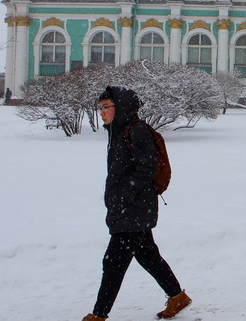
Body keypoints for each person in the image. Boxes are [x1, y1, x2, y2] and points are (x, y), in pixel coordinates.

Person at [83, 86, 191, 321]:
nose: (101, 112)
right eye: (100, 107)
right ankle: (177, 296)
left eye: (105, 107)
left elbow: (146, 169)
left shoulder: (136, 131)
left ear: (119, 107)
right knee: (148, 256)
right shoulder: (118, 131)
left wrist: (123, 196)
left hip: (134, 208)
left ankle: (99, 314)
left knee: (113, 263)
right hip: (130, 207)